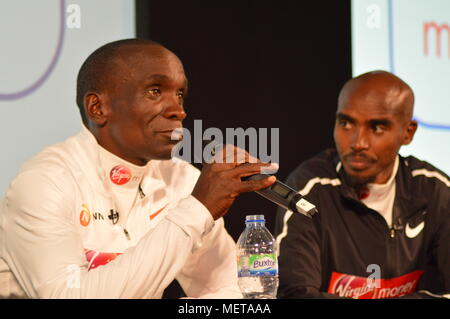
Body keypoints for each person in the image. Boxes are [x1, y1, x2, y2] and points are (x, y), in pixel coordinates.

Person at [0, 39, 277, 298]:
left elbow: (233, 289)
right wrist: (197, 209)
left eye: (180, 94)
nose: (177, 110)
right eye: (155, 91)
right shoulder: (45, 182)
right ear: (97, 108)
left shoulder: (181, 180)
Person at [275, 70, 449, 299]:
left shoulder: (434, 190)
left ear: (408, 133)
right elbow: (295, 295)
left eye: (377, 127)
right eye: (346, 123)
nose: (358, 142)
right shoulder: (308, 190)